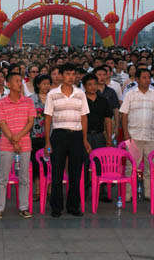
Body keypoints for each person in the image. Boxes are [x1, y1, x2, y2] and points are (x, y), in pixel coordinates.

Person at [44, 63, 90, 218]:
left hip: (76, 135)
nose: (71, 77)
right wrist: (47, 142)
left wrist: (85, 139)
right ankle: (56, 207)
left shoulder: (80, 94)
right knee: (57, 173)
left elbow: (84, 117)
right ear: (62, 75)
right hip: (58, 135)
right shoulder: (52, 94)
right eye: (68, 74)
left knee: (75, 173)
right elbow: (48, 118)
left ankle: (73, 206)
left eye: (73, 74)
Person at [0, 72, 36, 219]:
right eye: (17, 81)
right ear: (8, 84)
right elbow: (2, 123)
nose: (20, 84)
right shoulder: (2, 103)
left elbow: (30, 123)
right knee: (2, 177)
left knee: (24, 178)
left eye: (21, 81)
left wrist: (18, 138)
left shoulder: (28, 102)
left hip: (24, 144)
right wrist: (13, 139)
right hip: (7, 144)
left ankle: (24, 207)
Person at [120, 68, 154, 202]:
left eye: (148, 77)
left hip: (151, 137)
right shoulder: (130, 94)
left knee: (151, 167)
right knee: (131, 167)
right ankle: (128, 194)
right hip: (134, 136)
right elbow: (124, 115)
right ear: (137, 79)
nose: (147, 80)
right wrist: (126, 134)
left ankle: (149, 193)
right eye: (144, 77)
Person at [82, 73, 113, 201]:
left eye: (95, 84)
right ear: (84, 86)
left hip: (99, 135)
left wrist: (109, 138)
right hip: (84, 136)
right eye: (89, 84)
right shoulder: (81, 100)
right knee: (84, 164)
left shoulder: (103, 100)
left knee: (100, 164)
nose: (93, 87)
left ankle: (102, 192)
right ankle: (83, 191)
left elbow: (108, 120)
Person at [30, 74, 51, 200]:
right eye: (44, 84)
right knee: (36, 165)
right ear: (38, 85)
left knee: (49, 163)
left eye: (48, 84)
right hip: (34, 136)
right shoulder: (30, 99)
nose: (46, 86)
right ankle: (38, 191)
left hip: (50, 137)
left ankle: (49, 191)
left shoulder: (52, 98)